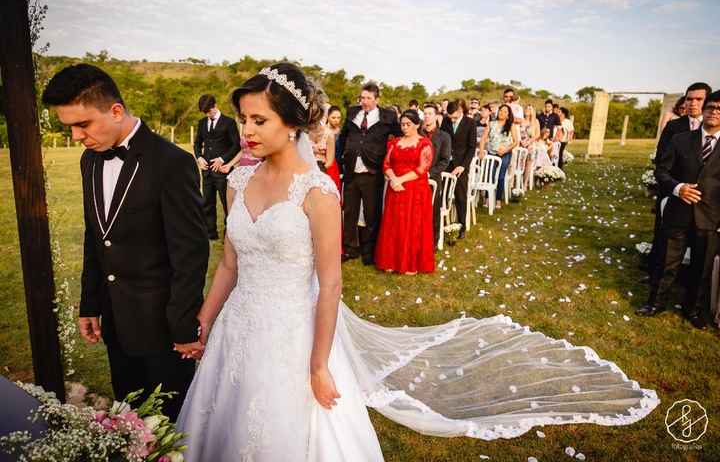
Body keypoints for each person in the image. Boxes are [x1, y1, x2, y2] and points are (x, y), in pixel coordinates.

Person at [176, 63, 659, 461]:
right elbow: (229, 267)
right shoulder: (239, 182)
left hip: (293, 334)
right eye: (244, 118)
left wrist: (319, 365)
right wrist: (204, 321)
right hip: (237, 329)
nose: (247, 130)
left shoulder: (317, 192)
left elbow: (331, 286)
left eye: (259, 120)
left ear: (294, 123)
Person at [41, 64, 209, 420]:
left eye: (82, 124)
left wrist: (183, 327)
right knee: (129, 420)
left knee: (171, 426)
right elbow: (95, 237)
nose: (75, 136)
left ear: (116, 110)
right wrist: (90, 304)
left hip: (164, 329)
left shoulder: (172, 163)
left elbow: (190, 254)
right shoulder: (89, 161)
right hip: (116, 324)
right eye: (69, 127)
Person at [639, 91, 720, 330]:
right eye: (711, 106)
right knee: (667, 262)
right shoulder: (681, 139)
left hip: (710, 217)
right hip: (678, 211)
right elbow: (661, 172)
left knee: (701, 267)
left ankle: (692, 309)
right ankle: (655, 303)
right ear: (703, 109)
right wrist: (678, 188)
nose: (714, 111)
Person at [645, 83, 712, 279]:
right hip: (674, 190)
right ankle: (655, 273)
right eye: (689, 99)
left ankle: (689, 280)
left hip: (705, 198)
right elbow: (661, 159)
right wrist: (677, 186)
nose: (692, 103)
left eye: (698, 99)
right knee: (663, 236)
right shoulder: (674, 127)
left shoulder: (713, 128)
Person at [339, 82, 402, 265]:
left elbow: (399, 137)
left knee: (371, 213)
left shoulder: (388, 116)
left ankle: (369, 251)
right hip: (351, 170)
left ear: (377, 99)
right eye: (362, 98)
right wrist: (342, 158)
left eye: (368, 98)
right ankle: (350, 249)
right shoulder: (352, 112)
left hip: (372, 171)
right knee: (350, 212)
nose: (364, 102)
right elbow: (343, 137)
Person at [375, 110, 435, 274]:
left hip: (415, 190)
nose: (405, 127)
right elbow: (386, 164)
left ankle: (410, 263)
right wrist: (393, 178)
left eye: (408, 124)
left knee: (412, 225)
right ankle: (391, 260)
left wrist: (400, 180)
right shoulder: (394, 142)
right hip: (395, 188)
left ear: (417, 124)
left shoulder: (425, 144)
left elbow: (423, 168)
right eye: (402, 124)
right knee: (394, 225)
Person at [194, 94, 241, 240]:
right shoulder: (202, 123)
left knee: (226, 202)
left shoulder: (229, 122)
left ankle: (230, 233)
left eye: (209, 110)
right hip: (206, 170)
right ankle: (210, 233)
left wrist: (222, 159)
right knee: (207, 202)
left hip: (223, 170)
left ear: (215, 105)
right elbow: (197, 143)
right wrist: (199, 157)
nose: (208, 114)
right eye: (205, 112)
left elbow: (236, 145)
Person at [442, 99, 476, 238]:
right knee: (443, 193)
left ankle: (461, 226)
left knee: (460, 196)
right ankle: (444, 222)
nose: (453, 120)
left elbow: (471, 147)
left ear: (460, 111)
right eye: (450, 118)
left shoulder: (470, 123)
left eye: (455, 117)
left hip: (461, 164)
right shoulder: (445, 121)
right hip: (446, 163)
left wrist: (463, 166)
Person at [479, 104, 519, 209]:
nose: (502, 113)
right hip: (492, 153)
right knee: (490, 175)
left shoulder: (510, 126)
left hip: (505, 153)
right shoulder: (491, 124)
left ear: (508, 115)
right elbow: (483, 139)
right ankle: (487, 198)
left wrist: (506, 150)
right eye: (501, 110)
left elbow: (516, 142)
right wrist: (482, 151)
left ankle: (498, 200)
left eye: (505, 111)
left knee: (501, 176)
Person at [423, 104, 451, 247]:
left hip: (433, 178)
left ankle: (433, 242)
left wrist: (430, 173)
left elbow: (445, 160)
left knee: (433, 211)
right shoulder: (418, 134)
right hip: (416, 177)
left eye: (429, 113)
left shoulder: (444, 136)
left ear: (435, 116)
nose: (427, 116)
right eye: (425, 113)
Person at [310, 105, 342, 190]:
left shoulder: (329, 134)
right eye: (333, 117)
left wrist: (320, 170)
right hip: (306, 169)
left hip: (325, 168)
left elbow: (330, 160)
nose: (336, 120)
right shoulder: (304, 132)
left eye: (338, 117)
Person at [521, 105, 541, 189]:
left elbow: (537, 135)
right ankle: (515, 181)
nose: (527, 110)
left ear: (532, 111)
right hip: (520, 143)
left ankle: (525, 183)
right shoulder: (521, 120)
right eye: (526, 108)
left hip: (530, 144)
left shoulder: (535, 121)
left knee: (528, 162)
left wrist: (529, 142)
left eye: (529, 109)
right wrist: (521, 142)